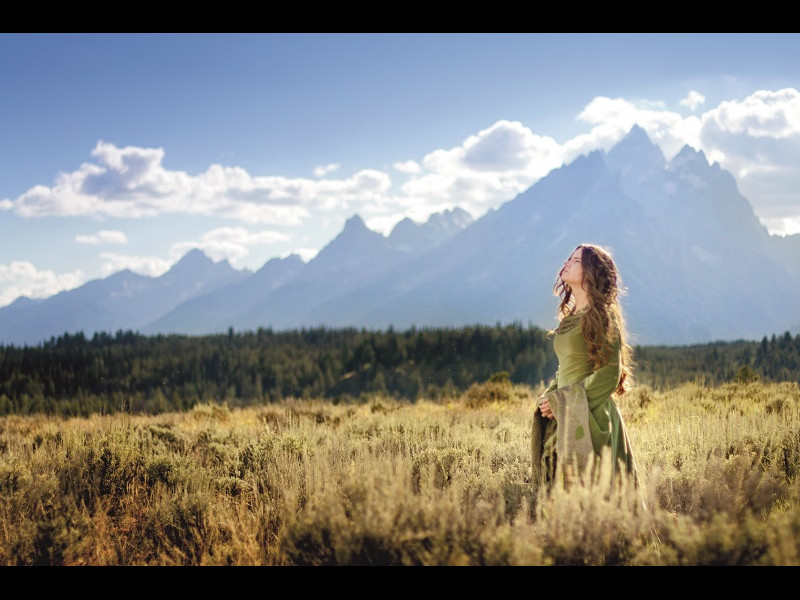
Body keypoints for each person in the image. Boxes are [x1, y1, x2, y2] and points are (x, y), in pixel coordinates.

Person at [531, 243, 640, 496]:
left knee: (597, 500)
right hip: (567, 414)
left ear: (591, 272)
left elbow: (609, 374)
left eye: (576, 261)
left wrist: (563, 404)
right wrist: (551, 399)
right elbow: (565, 370)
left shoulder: (602, 315)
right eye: (569, 258)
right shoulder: (569, 318)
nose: (567, 262)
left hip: (591, 416)